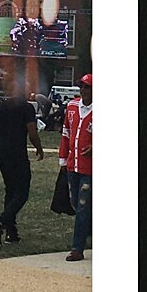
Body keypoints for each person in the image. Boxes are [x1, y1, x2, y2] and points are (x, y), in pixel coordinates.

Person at [0, 82, 44, 248]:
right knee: (22, 192)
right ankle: (0, 223)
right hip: (17, 152)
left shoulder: (0, 108)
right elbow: (32, 132)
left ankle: (12, 233)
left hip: (3, 153)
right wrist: (39, 148)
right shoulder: (27, 108)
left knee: (10, 191)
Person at [59, 73, 93, 262]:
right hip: (73, 166)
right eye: (82, 87)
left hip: (91, 169)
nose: (84, 91)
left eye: (87, 87)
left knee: (82, 207)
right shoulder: (72, 107)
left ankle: (77, 248)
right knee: (76, 204)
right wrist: (63, 159)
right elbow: (66, 133)